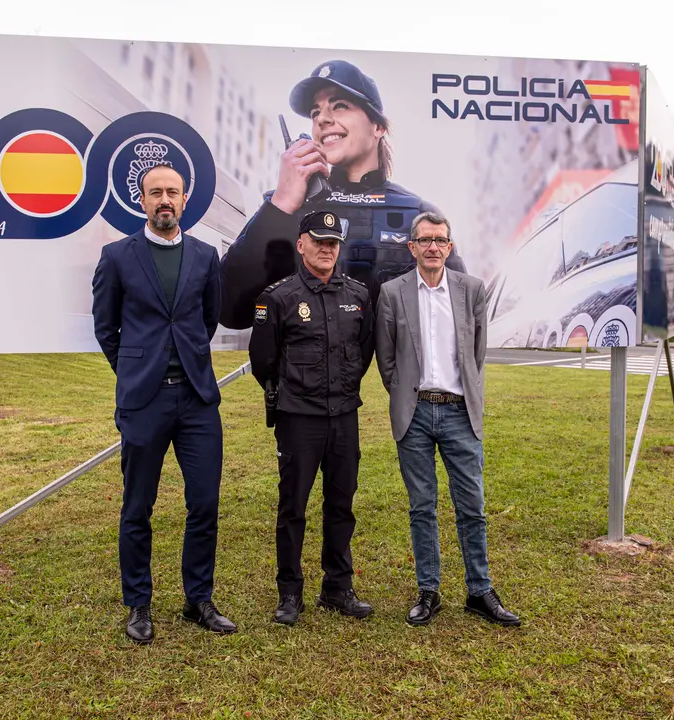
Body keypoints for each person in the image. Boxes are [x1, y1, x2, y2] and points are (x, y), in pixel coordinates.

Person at [91, 163, 236, 644]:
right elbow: (105, 327)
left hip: (196, 400)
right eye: (156, 193)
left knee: (205, 503)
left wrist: (184, 360)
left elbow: (207, 319)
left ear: (185, 199)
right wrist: (137, 369)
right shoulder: (117, 256)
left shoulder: (204, 256)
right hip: (144, 401)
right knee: (138, 507)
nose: (165, 200)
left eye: (172, 192)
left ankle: (199, 599)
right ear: (143, 200)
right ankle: (138, 603)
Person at [219, 59, 466, 330]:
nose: (321, 119)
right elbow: (230, 309)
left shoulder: (418, 214)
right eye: (315, 112)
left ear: (378, 127)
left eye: (339, 106)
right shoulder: (287, 209)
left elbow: (458, 316)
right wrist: (282, 203)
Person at [374, 211, 521, 628]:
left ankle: (479, 591)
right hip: (415, 413)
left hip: (459, 412)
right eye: (425, 240)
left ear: (449, 247)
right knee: (422, 506)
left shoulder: (471, 290)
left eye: (440, 240)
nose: (433, 247)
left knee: (471, 506)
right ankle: (429, 591)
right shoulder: (392, 293)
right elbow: (386, 358)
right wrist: (406, 394)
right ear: (412, 247)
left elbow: (477, 352)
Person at [248, 209, 376, 626]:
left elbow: (364, 352)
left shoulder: (358, 295)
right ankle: (290, 593)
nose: (327, 248)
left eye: (333, 242)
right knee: (293, 508)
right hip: (298, 419)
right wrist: (296, 392)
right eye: (319, 241)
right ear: (301, 244)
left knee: (341, 504)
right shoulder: (278, 297)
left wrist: (341, 389)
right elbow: (263, 361)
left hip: (344, 417)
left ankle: (337, 588)